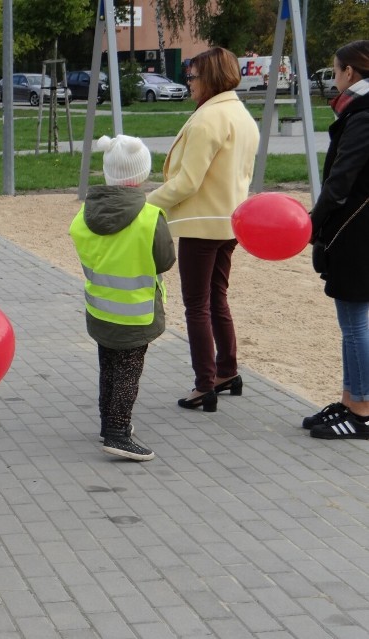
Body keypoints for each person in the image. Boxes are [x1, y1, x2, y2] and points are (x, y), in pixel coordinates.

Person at [146, 47, 259, 413]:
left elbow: (188, 182)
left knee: (196, 306)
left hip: (201, 223)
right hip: (230, 221)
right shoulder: (240, 114)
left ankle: (204, 384)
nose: (188, 83)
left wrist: (145, 204)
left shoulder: (209, 119)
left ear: (209, 78)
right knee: (217, 298)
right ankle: (226, 371)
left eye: (192, 77)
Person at [69, 135, 175, 461]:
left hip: (100, 310)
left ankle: (108, 423)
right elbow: (165, 261)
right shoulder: (149, 217)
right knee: (128, 372)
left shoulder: (83, 217)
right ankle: (118, 432)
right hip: (136, 315)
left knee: (109, 367)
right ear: (141, 175)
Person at [305, 40, 369, 439]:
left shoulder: (363, 115)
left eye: (336, 70)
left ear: (350, 72)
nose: (335, 78)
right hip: (357, 226)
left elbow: (341, 179)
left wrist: (314, 221)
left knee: (355, 323)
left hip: (357, 229)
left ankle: (361, 410)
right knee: (352, 321)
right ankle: (349, 399)